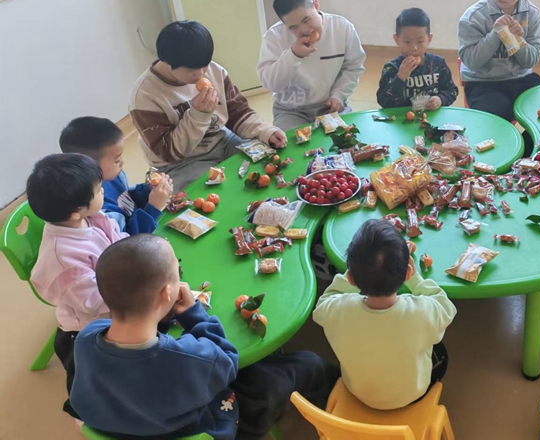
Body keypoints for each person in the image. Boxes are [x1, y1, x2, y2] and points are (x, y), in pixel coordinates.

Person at [69, 234, 338, 440]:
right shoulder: (188, 358)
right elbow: (227, 359)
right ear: (168, 293)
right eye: (177, 272)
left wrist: (159, 317)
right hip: (205, 424)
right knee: (305, 364)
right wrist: (194, 315)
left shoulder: (85, 337)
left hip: (130, 424)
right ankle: (336, 394)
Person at [313, 219, 456, 410]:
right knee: (440, 352)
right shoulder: (423, 312)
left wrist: (355, 272)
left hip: (359, 392)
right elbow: (446, 307)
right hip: (412, 394)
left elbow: (324, 302)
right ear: (407, 273)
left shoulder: (336, 309)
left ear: (351, 278)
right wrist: (415, 280)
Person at [130, 21, 287, 192]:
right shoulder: (145, 95)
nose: (201, 73)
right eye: (191, 70)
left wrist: (265, 131)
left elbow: (239, 112)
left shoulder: (214, 70)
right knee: (213, 193)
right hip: (181, 163)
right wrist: (198, 115)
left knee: (266, 166)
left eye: (204, 65)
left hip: (222, 141)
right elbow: (168, 152)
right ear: (167, 62)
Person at [27, 153, 128, 394]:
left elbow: (119, 241)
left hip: (115, 288)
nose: (104, 191)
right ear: (76, 211)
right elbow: (96, 301)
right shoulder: (65, 260)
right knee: (111, 381)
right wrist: (138, 287)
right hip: (90, 328)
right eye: (99, 190)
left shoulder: (91, 218)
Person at [458, 0, 540, 154]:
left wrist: (518, 41)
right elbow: (471, 61)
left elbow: (531, 60)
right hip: (484, 81)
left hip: (520, 78)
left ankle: (525, 154)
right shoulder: (473, 17)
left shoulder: (532, 15)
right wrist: (496, 34)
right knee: (496, 117)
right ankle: (504, 153)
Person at [257, 0, 366, 131]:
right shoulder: (274, 37)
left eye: (306, 20)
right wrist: (293, 55)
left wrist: (339, 96)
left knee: (345, 138)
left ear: (316, 6)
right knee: (294, 143)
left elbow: (353, 67)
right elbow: (271, 84)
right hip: (291, 111)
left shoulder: (342, 27)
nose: (303, 30)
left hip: (330, 105)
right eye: (293, 27)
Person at [59, 116, 172, 234]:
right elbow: (127, 238)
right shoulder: (95, 205)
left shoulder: (112, 175)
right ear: (91, 165)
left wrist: (149, 191)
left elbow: (129, 200)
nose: (122, 162)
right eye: (117, 160)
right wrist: (153, 207)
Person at [377, 7, 459, 110]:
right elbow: (383, 101)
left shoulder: (438, 64)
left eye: (420, 41)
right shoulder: (392, 68)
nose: (414, 48)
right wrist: (400, 78)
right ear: (396, 40)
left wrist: (440, 99)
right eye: (407, 42)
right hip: (402, 117)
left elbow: (452, 90)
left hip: (431, 116)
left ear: (429, 39)